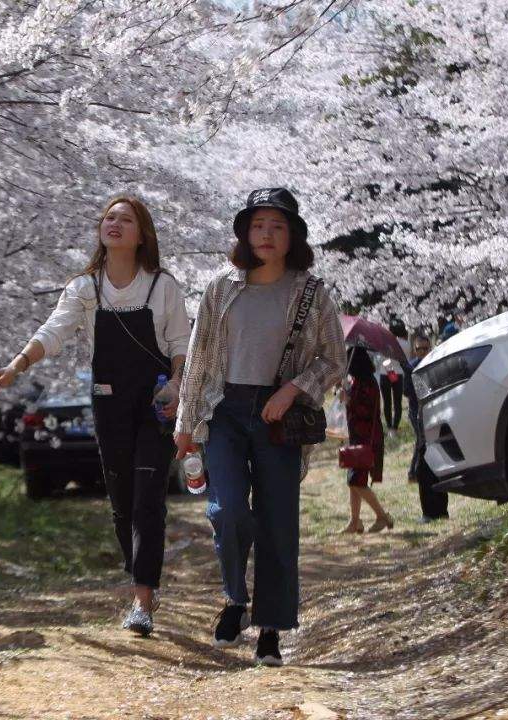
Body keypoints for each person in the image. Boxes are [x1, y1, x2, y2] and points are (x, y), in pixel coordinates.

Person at [0, 195, 191, 637]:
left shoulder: (163, 286)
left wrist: (176, 385)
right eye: (109, 217)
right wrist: (17, 365)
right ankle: (140, 574)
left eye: (126, 218)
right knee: (121, 503)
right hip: (109, 401)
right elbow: (53, 332)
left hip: (155, 404)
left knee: (146, 499)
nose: (114, 223)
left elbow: (181, 344)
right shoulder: (85, 288)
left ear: (142, 235)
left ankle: (141, 598)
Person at [175, 187, 345, 667]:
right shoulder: (220, 288)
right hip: (225, 409)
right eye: (257, 226)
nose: (266, 235)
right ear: (244, 234)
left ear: (293, 236)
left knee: (277, 520)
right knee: (227, 510)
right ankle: (235, 598)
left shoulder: (311, 293)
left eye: (277, 226)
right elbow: (200, 359)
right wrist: (185, 424)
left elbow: (334, 358)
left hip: (278, 418)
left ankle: (271, 629)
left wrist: (293, 389)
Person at [341, 345, 393, 535]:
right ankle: (355, 522)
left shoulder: (368, 384)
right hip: (358, 437)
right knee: (353, 480)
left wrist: (348, 400)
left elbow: (365, 411)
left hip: (367, 438)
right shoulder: (357, 382)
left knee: (357, 481)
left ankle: (382, 516)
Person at [405, 332, 449, 522]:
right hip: (420, 417)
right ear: (414, 350)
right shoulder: (412, 368)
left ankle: (436, 511)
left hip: (435, 417)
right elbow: (409, 393)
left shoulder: (436, 365)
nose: (422, 352)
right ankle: (433, 511)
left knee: (432, 464)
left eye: (425, 348)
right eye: (419, 349)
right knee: (425, 463)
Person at [378, 320, 410, 436]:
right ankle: (395, 428)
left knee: (387, 402)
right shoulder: (406, 344)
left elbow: (379, 357)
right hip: (398, 373)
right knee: (397, 402)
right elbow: (407, 358)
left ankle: (389, 426)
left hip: (385, 372)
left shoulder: (385, 342)